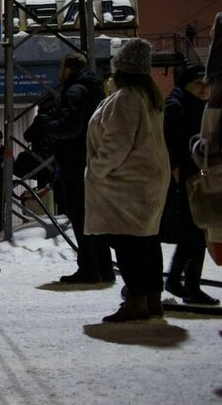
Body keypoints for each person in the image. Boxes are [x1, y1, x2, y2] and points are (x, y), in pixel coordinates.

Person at [84, 38, 170, 322]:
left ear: (120, 69)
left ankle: (136, 301)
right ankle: (152, 299)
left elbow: (116, 142)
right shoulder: (148, 97)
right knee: (146, 242)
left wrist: (96, 169)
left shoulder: (126, 98)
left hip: (125, 185)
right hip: (145, 181)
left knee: (126, 243)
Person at [39, 52, 112, 283]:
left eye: (61, 66)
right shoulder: (95, 89)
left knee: (81, 219)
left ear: (67, 68)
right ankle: (104, 268)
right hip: (94, 160)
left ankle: (89, 269)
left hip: (75, 162)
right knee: (96, 219)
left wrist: (47, 124)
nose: (59, 72)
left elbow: (68, 128)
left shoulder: (74, 91)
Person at [161, 64, 219, 305]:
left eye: (206, 84)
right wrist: (176, 171)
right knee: (194, 232)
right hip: (187, 180)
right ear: (186, 85)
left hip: (197, 178)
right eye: (198, 84)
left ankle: (178, 280)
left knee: (195, 232)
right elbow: (169, 143)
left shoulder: (195, 105)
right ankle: (188, 285)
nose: (204, 89)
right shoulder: (178, 106)